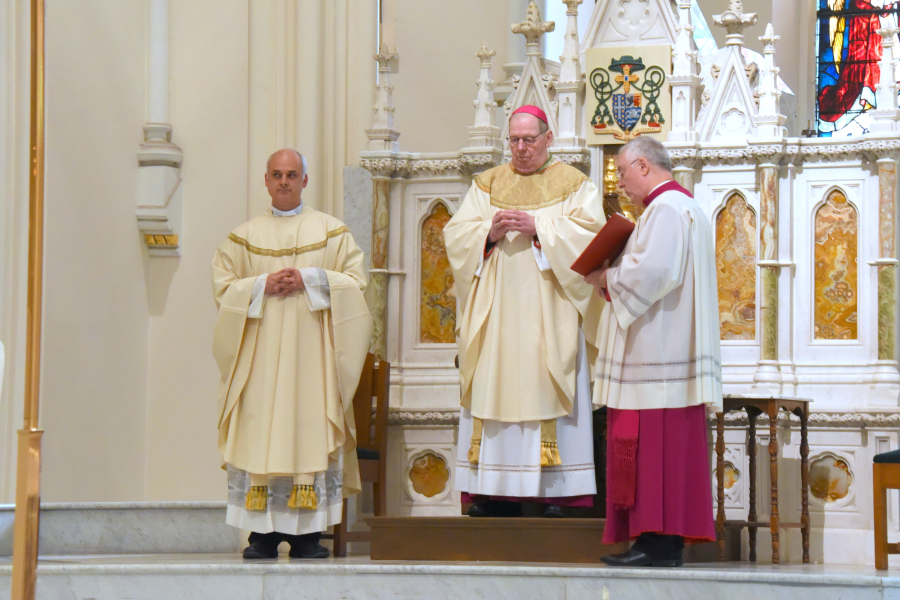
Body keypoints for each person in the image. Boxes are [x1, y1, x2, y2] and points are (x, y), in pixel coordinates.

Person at [444, 105, 607, 518]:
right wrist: (488, 232)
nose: (520, 149)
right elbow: (456, 235)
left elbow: (593, 237)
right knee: (493, 383)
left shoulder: (574, 184)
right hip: (497, 316)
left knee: (548, 383)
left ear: (548, 139)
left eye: (528, 140)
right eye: (513, 140)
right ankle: (494, 492)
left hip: (549, 313)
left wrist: (541, 230)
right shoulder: (487, 183)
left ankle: (557, 492)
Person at [211, 149, 372, 559]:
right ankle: (261, 537)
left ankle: (306, 537)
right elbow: (222, 288)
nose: (284, 181)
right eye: (277, 174)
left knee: (308, 433)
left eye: (292, 174)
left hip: (312, 361)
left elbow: (356, 282)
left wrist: (312, 278)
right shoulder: (242, 236)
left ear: (305, 180)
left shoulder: (332, 232)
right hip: (260, 360)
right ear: (265, 181)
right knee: (259, 434)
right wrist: (261, 285)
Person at [585, 136, 722, 567]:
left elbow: (654, 272)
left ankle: (657, 543)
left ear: (643, 166)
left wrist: (606, 278)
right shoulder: (687, 207)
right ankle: (660, 544)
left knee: (654, 452)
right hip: (668, 347)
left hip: (656, 353)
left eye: (623, 173)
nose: (621, 184)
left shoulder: (665, 210)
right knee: (666, 454)